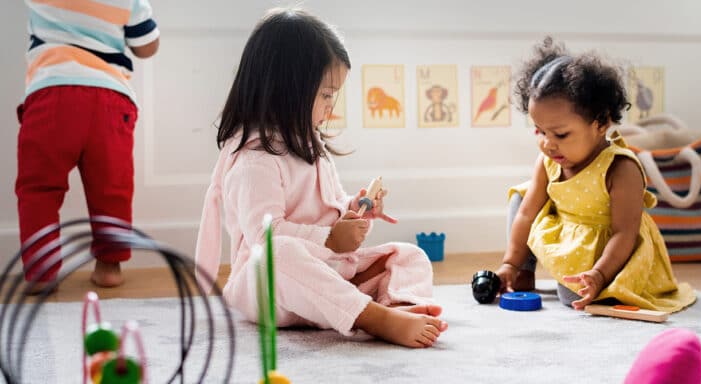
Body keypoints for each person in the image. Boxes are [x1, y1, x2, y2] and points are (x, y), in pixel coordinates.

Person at [195, 8, 447, 348]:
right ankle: (375, 317)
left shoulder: (310, 147)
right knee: (277, 252)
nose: (331, 106)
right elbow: (263, 237)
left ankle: (398, 304)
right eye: (326, 95)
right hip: (273, 290)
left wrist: (355, 211)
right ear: (287, 89)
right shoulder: (254, 161)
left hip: (326, 278)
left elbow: (330, 211)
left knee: (408, 255)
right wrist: (329, 239)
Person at [494, 37, 696, 312]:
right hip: (566, 231)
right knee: (520, 198)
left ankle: (594, 279)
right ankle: (522, 273)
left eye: (561, 134)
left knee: (571, 297)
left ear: (600, 122)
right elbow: (528, 214)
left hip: (608, 248)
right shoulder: (548, 160)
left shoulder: (621, 168)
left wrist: (599, 275)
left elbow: (625, 233)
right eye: (540, 131)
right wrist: (510, 263)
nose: (548, 143)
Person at [16, 0, 160, 292]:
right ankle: (110, 266)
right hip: (109, 97)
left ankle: (41, 271)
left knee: (39, 190)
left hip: (49, 93)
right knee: (112, 189)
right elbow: (147, 46)